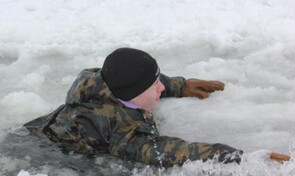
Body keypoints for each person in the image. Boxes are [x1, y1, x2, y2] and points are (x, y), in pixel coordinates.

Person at [24, 48, 243, 168]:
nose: (161, 87)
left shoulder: (99, 83)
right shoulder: (121, 133)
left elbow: (139, 81)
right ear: (132, 93)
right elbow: (176, 152)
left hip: (37, 129)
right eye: (154, 85)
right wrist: (239, 158)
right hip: (38, 157)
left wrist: (181, 85)